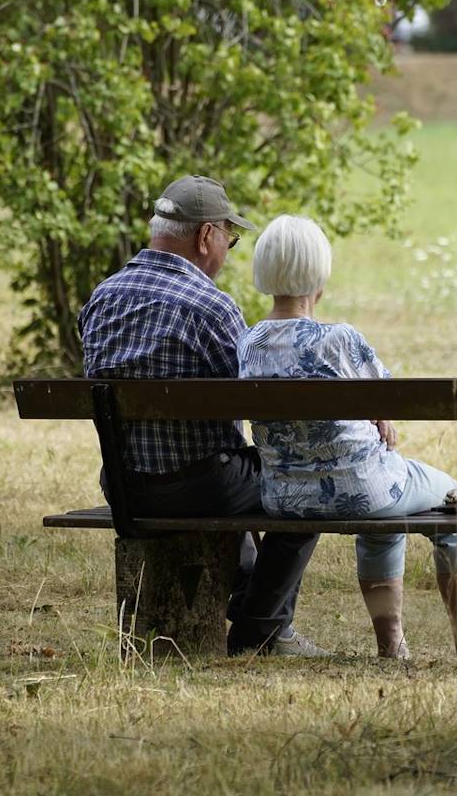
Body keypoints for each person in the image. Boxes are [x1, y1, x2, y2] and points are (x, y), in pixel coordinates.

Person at [77, 176, 328, 658]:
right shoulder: (212, 308)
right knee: (306, 483)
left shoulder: (101, 298)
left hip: (125, 486)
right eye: (229, 241)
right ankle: (260, 628)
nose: (227, 252)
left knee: (230, 468)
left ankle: (257, 609)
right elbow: (257, 403)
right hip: (202, 487)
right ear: (206, 236)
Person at [236, 214, 457, 662]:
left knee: (384, 511)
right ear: (320, 275)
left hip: (284, 498)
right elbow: (390, 399)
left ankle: (392, 645)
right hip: (364, 490)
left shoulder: (248, 343)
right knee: (455, 501)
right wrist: (379, 415)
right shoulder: (339, 340)